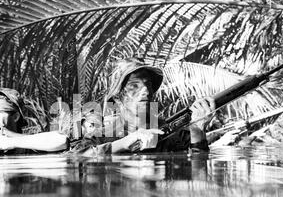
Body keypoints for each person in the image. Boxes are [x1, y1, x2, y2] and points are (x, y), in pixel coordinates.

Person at [70, 58, 216, 155]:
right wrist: (124, 143)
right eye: (134, 86)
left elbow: (198, 174)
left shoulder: (173, 135)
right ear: (117, 98)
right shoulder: (101, 137)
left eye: (148, 85)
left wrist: (197, 131)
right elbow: (79, 157)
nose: (145, 91)